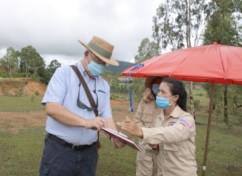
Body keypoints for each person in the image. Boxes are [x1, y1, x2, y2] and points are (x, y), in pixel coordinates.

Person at [39, 36, 124, 176]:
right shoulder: (64, 74)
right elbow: (52, 108)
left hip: (88, 155)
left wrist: (114, 136)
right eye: (98, 60)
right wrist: (85, 122)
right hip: (59, 152)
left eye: (104, 63)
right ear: (86, 54)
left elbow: (106, 115)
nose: (100, 65)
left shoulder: (104, 86)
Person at [118, 78, 197, 176]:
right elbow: (160, 148)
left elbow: (174, 133)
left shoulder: (186, 119)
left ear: (175, 97)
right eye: (158, 90)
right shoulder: (160, 118)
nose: (158, 94)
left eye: (163, 92)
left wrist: (142, 131)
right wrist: (155, 147)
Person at [133, 76, 163, 176]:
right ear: (151, 86)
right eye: (155, 85)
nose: (157, 88)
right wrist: (147, 135)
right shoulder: (144, 101)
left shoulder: (167, 103)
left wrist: (157, 140)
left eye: (160, 85)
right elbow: (137, 120)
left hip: (162, 147)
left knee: (164, 172)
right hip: (144, 145)